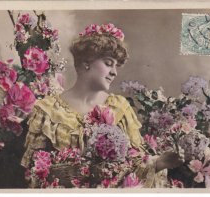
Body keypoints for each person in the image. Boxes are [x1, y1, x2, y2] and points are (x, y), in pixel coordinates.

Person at [21, 23, 183, 188]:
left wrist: (159, 163)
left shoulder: (119, 108)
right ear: (86, 62)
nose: (114, 72)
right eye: (108, 63)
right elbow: (33, 172)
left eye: (116, 66)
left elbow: (136, 165)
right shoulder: (48, 109)